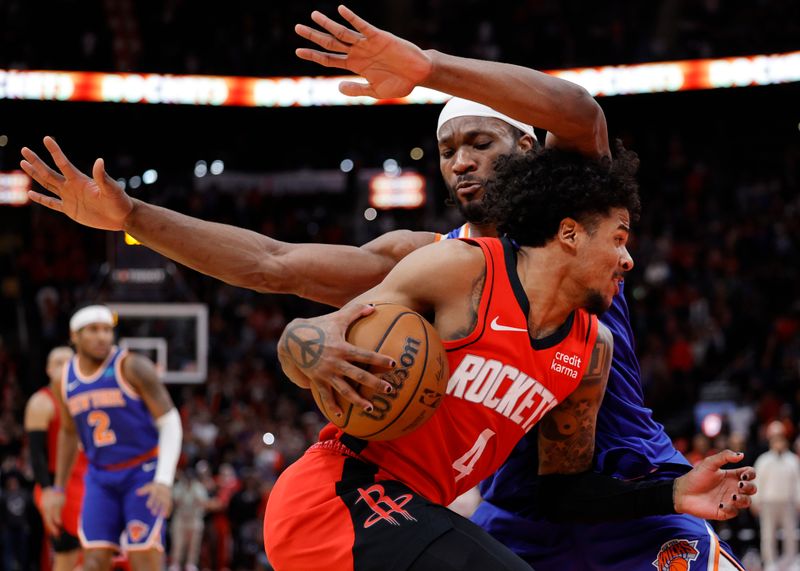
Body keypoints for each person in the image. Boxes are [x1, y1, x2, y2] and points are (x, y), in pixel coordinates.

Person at [21, 5, 753, 569]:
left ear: (529, 148)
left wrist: (428, 67)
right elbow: (273, 266)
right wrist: (132, 217)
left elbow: (582, 114)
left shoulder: (582, 225)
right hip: (514, 502)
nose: (460, 163)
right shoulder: (434, 263)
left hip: (622, 474)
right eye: (447, 150)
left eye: (480, 142)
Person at [266, 144, 756, 571]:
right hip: (339, 493)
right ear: (569, 234)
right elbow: (306, 340)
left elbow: (559, 493)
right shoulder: (463, 270)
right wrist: (305, 349)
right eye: (619, 239)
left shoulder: (589, 351)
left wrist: (673, 493)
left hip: (415, 510)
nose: (628, 260)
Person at [40, 305, 183, 571]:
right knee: (93, 562)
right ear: (75, 336)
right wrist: (58, 487)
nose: (103, 337)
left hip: (142, 473)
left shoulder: (132, 366)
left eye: (107, 330)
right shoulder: (65, 380)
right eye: (93, 330)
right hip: (100, 477)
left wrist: (163, 481)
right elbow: (69, 432)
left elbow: (170, 421)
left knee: (144, 562)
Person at [24, 345, 88, 571]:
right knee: (67, 553)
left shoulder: (87, 397)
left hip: (88, 482)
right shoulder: (41, 403)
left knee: (91, 554)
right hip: (58, 486)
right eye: (58, 363)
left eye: (68, 362)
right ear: (48, 369)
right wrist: (47, 490)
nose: (63, 368)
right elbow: (36, 453)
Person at [752, 421, 800, 571]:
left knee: (791, 535)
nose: (778, 442)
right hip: (768, 503)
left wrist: (799, 500)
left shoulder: (793, 460)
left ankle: (790, 562)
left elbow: (798, 482)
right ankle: (770, 563)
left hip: (788, 502)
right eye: (775, 439)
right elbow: (757, 482)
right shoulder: (763, 460)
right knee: (767, 535)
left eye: (781, 439)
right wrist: (755, 501)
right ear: (771, 441)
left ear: (785, 441)